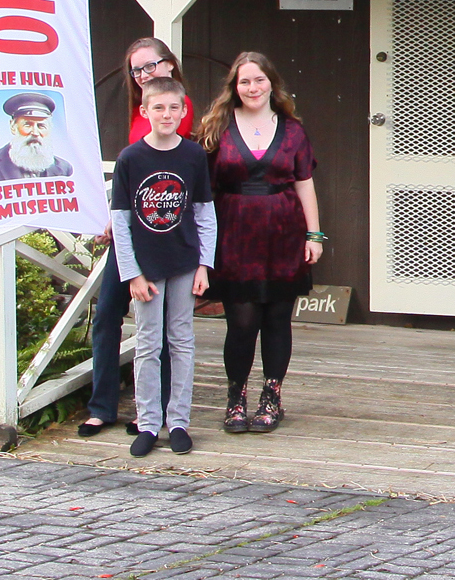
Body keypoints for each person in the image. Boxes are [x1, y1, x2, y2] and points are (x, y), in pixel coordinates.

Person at [200, 51, 324, 433]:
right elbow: (203, 189)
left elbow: (304, 183)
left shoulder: (292, 130)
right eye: (244, 81)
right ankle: (235, 397)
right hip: (235, 234)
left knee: (276, 319)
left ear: (272, 82)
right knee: (240, 320)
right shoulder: (217, 126)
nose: (252, 88)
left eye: (259, 80)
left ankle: (272, 397)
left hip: (283, 232)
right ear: (234, 88)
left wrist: (314, 234)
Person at [79, 37, 193, 437]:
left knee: (160, 326)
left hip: (164, 235)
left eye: (152, 65)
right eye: (138, 70)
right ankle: (102, 404)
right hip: (131, 231)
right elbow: (131, 173)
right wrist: (116, 212)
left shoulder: (176, 109)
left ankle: (155, 412)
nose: (146, 74)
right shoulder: (138, 113)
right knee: (109, 309)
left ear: (170, 65)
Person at [110, 77, 214, 457]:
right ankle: (149, 422)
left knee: (181, 340)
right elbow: (121, 221)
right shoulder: (131, 159)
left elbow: (205, 214)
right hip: (146, 267)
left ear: (184, 111)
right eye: (158, 107)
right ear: (145, 111)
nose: (166, 114)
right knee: (148, 343)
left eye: (173, 107)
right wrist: (132, 273)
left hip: (184, 260)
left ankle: (179, 421)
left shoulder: (193, 156)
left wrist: (205, 264)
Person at [0, 92, 75, 181]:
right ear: (13, 127)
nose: (35, 132)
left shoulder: (64, 169)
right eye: (28, 125)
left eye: (41, 126)